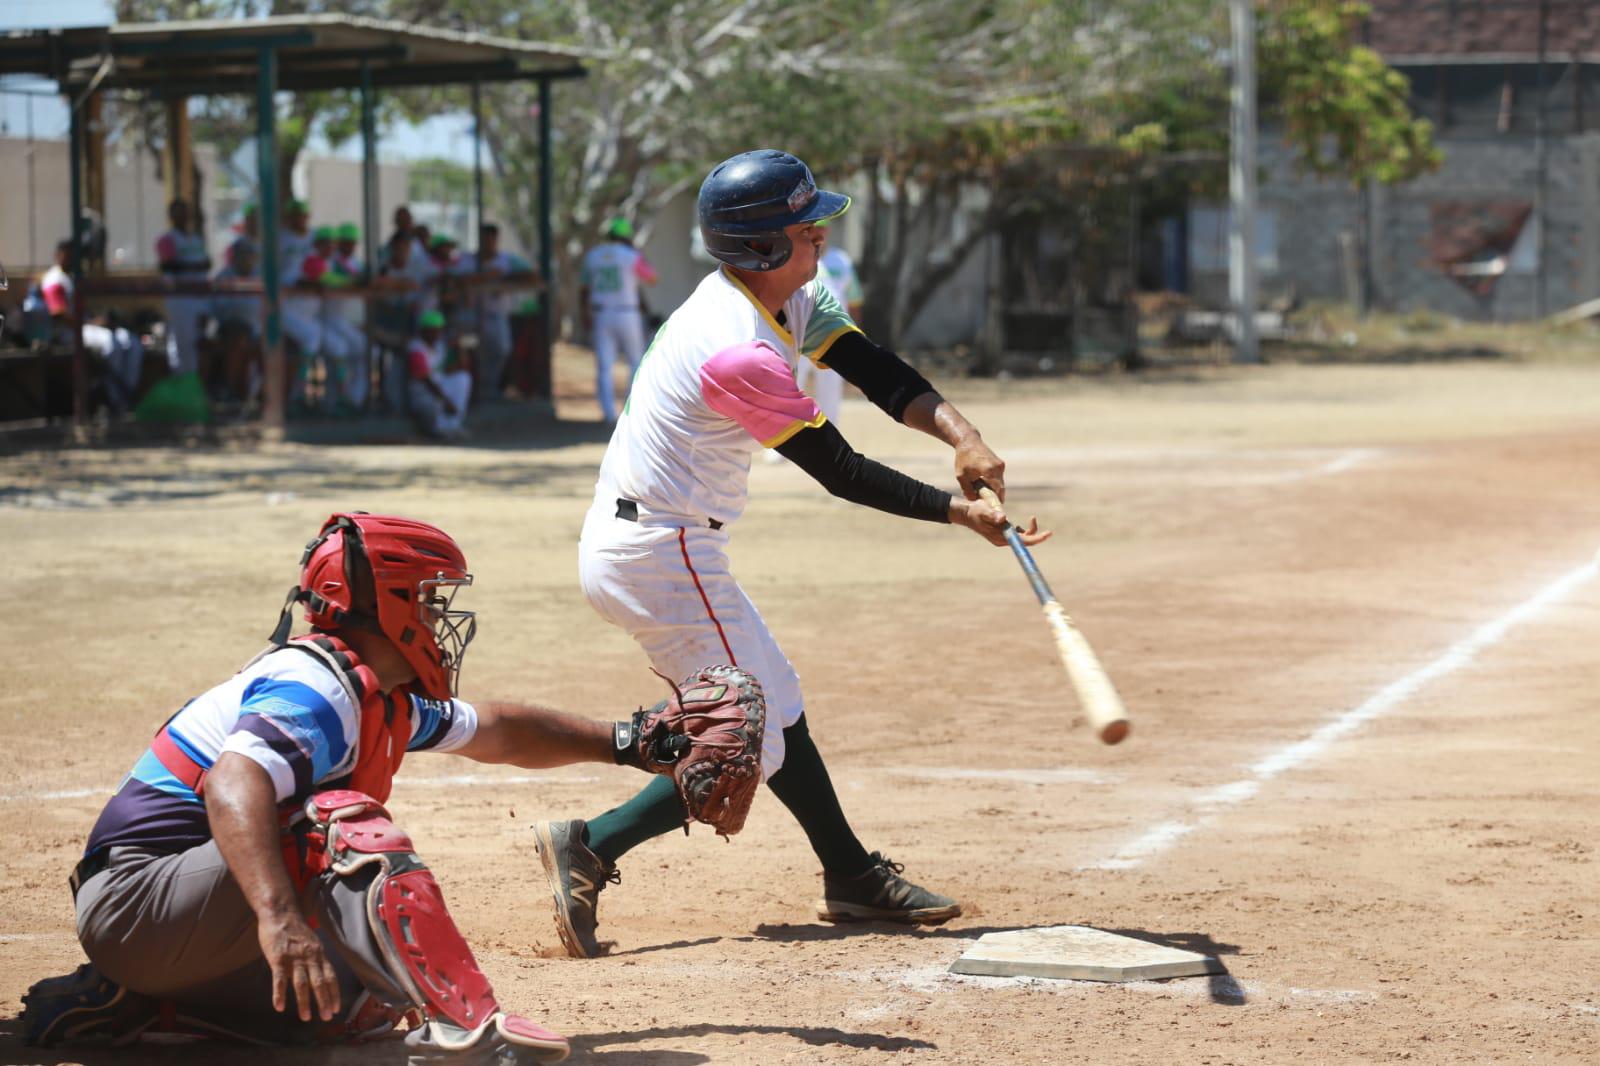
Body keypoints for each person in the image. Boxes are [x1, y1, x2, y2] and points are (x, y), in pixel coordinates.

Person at [533, 149, 1048, 958]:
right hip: (659, 552)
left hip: (668, 545)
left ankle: (849, 874)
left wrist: (963, 435)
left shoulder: (787, 295)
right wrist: (956, 513)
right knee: (749, 737)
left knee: (780, 701)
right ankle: (592, 843)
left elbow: (870, 367)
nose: (820, 235)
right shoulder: (734, 345)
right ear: (763, 246)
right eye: (805, 227)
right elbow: (840, 470)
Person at [19, 511, 735, 1061]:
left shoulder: (371, 694)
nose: (439, 618)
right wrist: (278, 919)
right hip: (136, 898)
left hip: (173, 922)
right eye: (428, 600)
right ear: (387, 603)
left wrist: (632, 744)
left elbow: (498, 730)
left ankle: (147, 1002)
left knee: (354, 1002)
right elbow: (233, 782)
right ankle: (465, 1028)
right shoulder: (314, 688)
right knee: (339, 821)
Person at [35, 239, 143, 411]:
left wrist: (99, 320)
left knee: (132, 342)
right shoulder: (54, 279)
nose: (70, 259)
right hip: (67, 332)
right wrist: (91, 323)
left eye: (73, 256)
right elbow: (58, 313)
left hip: (84, 327)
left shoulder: (70, 277)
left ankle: (126, 395)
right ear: (57, 256)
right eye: (67, 255)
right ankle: (112, 399)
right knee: (111, 343)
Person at [579, 217, 659, 423]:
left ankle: (608, 414)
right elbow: (652, 279)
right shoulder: (631, 256)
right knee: (635, 362)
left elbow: (584, 288)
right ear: (626, 237)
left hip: (601, 314)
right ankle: (631, 410)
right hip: (627, 314)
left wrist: (584, 314)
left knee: (604, 366)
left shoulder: (593, 256)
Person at [452, 223, 537, 403]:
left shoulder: (507, 260)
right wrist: (485, 277)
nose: (488, 243)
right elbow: (453, 279)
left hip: (495, 316)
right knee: (457, 344)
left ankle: (488, 387)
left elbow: (533, 275)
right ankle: (465, 389)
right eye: (485, 239)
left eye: (492, 239)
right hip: (468, 316)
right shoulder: (466, 259)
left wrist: (504, 278)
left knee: (501, 349)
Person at [796, 220, 864, 426]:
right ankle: (786, 439)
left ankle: (831, 435)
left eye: (823, 227)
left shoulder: (841, 261)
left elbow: (854, 299)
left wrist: (856, 337)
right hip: (799, 335)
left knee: (830, 391)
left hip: (834, 336)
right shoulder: (796, 257)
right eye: (814, 227)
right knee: (791, 386)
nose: (819, 232)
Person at [154, 198, 211, 376]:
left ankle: (196, 380)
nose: (182, 216)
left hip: (199, 297)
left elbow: (207, 262)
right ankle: (183, 379)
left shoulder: (196, 239)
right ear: (171, 216)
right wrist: (193, 266)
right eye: (178, 213)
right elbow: (167, 266)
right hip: (180, 299)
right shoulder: (167, 239)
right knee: (183, 344)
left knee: (199, 342)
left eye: (185, 212)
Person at [209, 238, 265, 404]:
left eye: (250, 255)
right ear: (235, 257)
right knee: (238, 341)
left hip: (258, 329)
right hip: (231, 328)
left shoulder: (260, 275)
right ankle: (231, 391)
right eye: (243, 255)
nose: (247, 259)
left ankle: (264, 395)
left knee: (273, 346)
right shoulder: (223, 276)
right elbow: (218, 310)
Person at [407, 308, 472, 440]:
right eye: (433, 330)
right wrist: (446, 401)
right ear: (424, 331)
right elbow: (426, 380)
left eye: (439, 330)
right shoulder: (416, 349)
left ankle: (453, 426)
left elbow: (456, 368)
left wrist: (460, 347)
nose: (437, 333)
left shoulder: (439, 346)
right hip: (423, 394)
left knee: (463, 378)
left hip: (438, 388)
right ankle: (440, 429)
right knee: (431, 406)